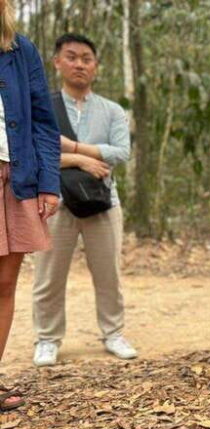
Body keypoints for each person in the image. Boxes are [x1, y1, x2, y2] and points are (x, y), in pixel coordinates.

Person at [31, 33, 136, 366]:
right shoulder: (42, 107)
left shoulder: (112, 110)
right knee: (48, 274)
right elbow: (35, 154)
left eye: (86, 58)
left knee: (109, 274)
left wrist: (72, 147)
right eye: (72, 57)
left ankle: (113, 333)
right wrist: (81, 161)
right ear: (57, 62)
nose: (79, 64)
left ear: (96, 66)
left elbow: (121, 152)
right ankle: (47, 338)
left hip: (102, 201)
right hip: (53, 200)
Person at [0, 2, 60, 410]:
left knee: (4, 284)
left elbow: (42, 121)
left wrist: (48, 183)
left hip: (15, 176)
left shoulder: (20, 50)